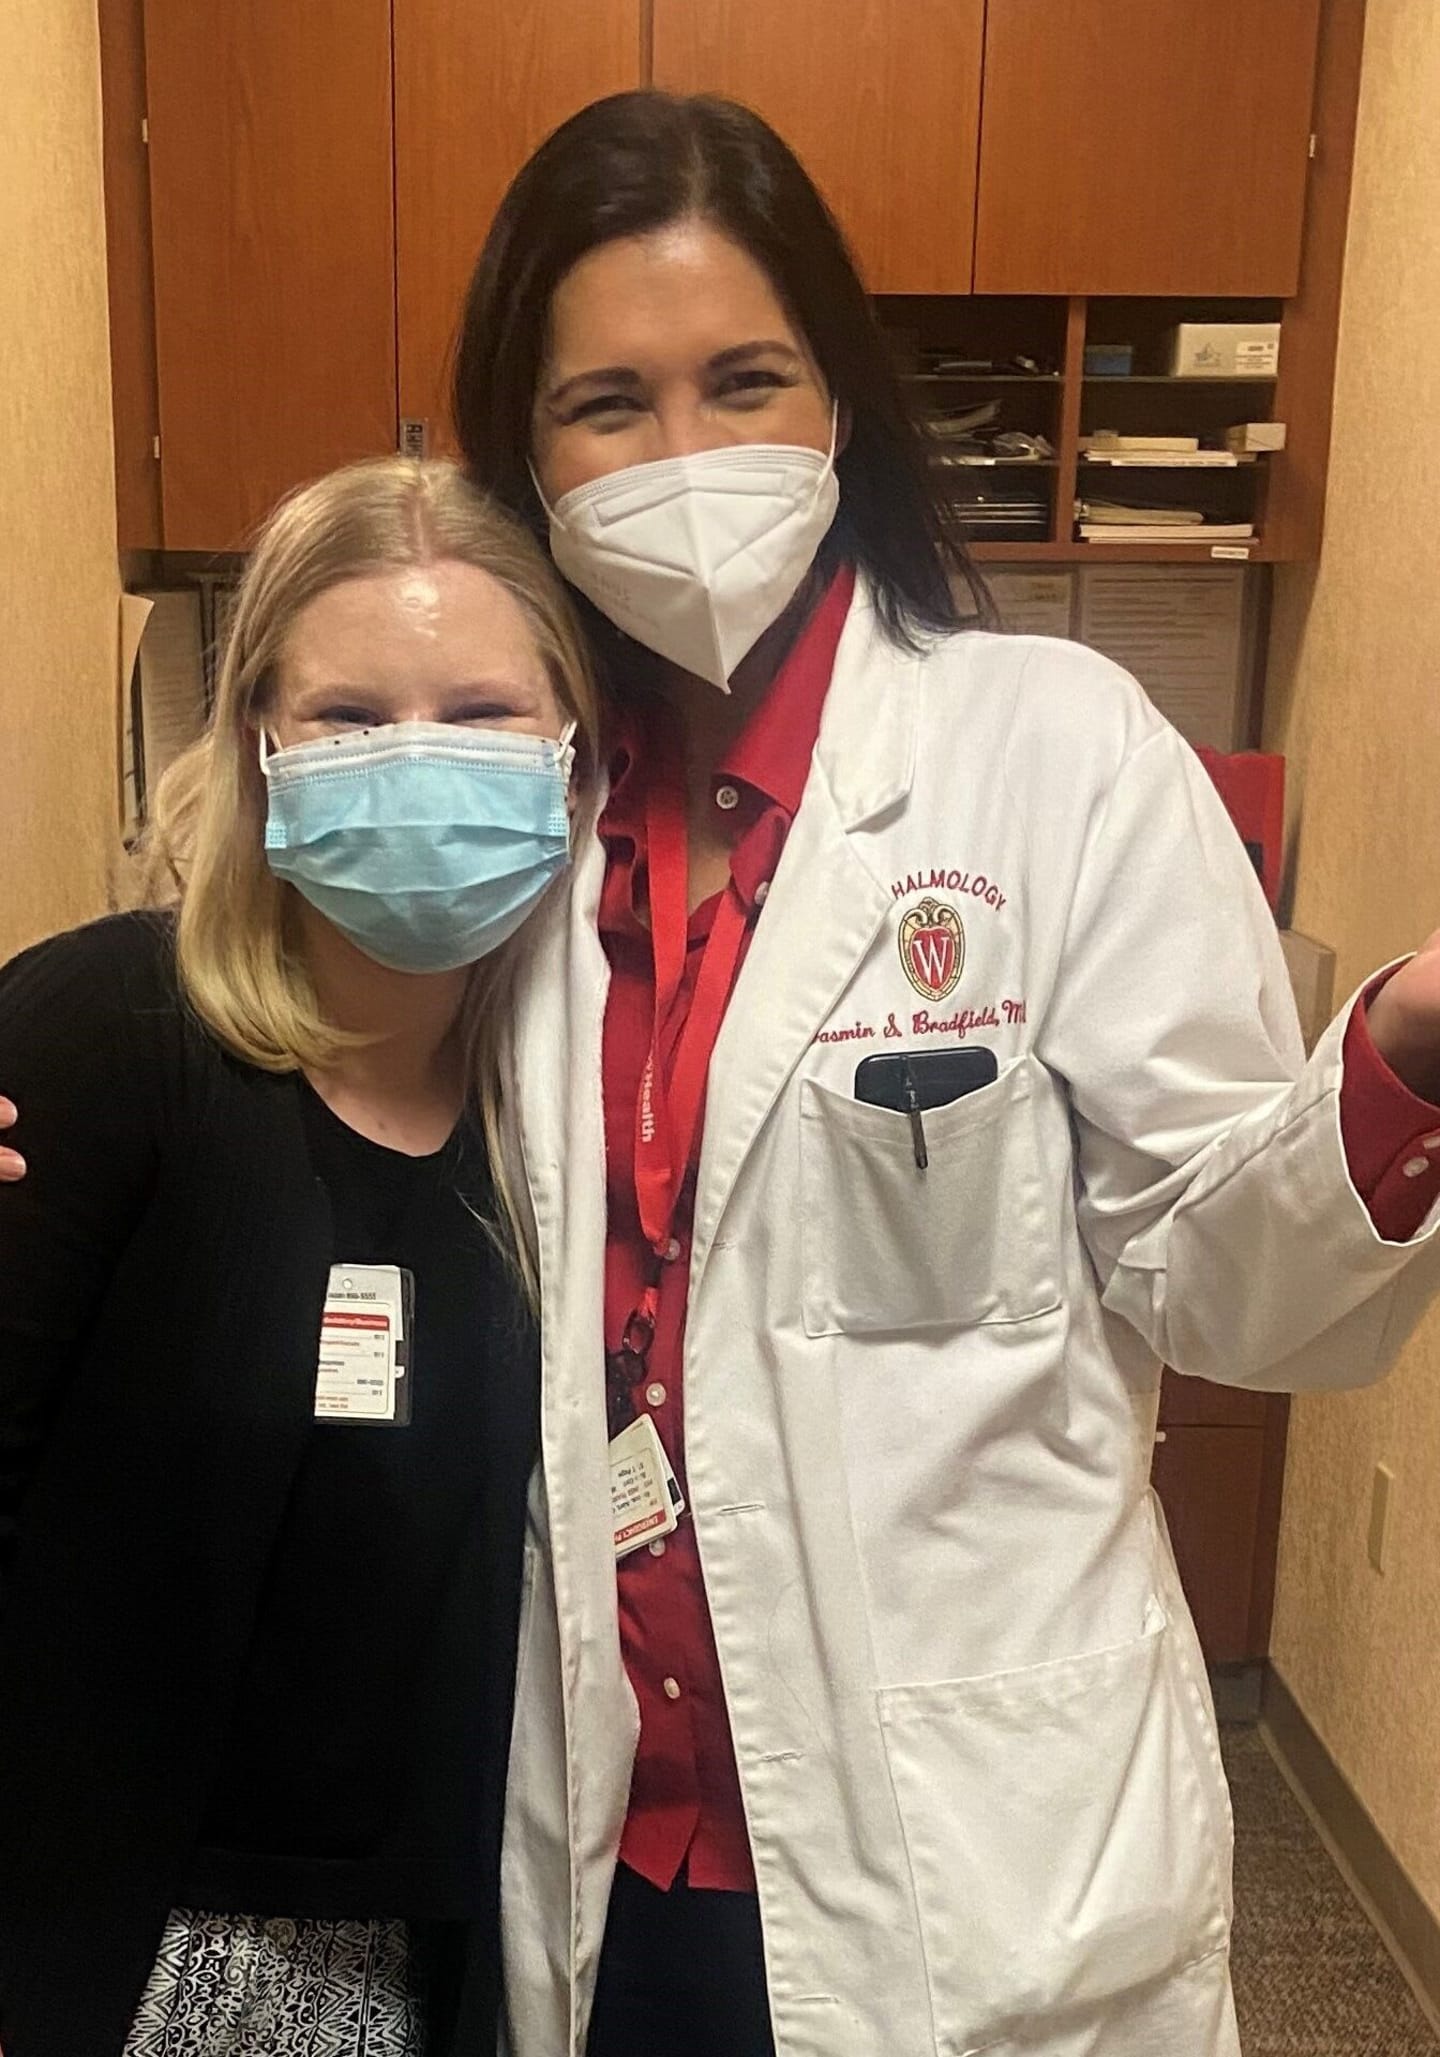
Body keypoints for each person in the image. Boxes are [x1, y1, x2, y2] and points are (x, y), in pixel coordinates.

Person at [447, 92, 1440, 2057]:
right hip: (589, 1846)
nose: (689, 457)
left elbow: (1235, 1279)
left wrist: (1400, 1066)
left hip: (964, 1866)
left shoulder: (1049, 753)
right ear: (521, 455)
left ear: (841, 405)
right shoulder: (499, 811)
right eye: (609, 407)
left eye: (746, 381)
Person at [0, 457, 595, 2057]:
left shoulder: (574, 1116)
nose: (420, 760)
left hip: (491, 1929)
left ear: (568, 747)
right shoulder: (106, 1038)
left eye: (480, 711)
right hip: (160, 1947)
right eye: (348, 716)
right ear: (260, 743)